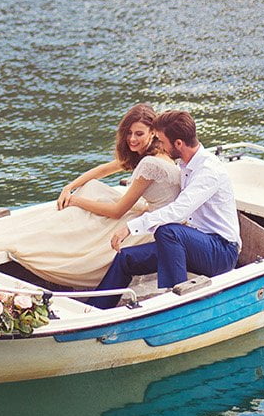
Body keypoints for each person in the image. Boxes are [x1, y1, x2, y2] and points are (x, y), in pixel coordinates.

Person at [0, 105, 181, 289]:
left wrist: (76, 200)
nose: (132, 139)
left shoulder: (151, 163)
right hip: (157, 215)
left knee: (85, 204)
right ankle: (56, 232)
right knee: (91, 188)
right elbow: (103, 170)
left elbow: (117, 211)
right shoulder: (152, 152)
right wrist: (70, 187)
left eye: (139, 133)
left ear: (153, 133)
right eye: (128, 133)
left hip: (155, 226)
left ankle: (56, 242)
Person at [86, 110, 241, 309]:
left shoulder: (208, 171)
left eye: (161, 141)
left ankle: (177, 302)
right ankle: (95, 309)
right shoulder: (185, 162)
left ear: (178, 144)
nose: (159, 145)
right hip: (195, 244)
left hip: (221, 252)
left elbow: (179, 211)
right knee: (127, 258)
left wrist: (130, 227)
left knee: (168, 231)